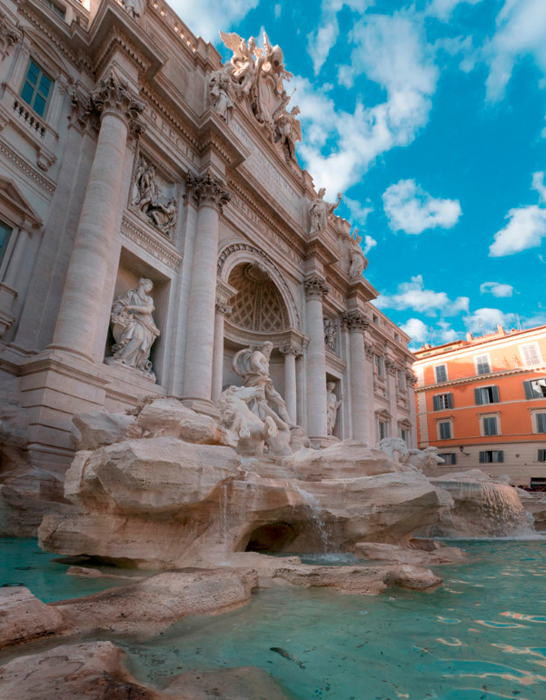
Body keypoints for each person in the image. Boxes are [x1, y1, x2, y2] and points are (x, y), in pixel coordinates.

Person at [108, 278, 160, 376]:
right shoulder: (131, 294)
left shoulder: (149, 299)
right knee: (137, 337)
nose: (150, 289)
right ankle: (122, 358)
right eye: (149, 286)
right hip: (133, 320)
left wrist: (132, 307)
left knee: (140, 338)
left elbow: (148, 310)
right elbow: (119, 304)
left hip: (146, 323)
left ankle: (126, 360)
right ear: (143, 284)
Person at [232, 341, 293, 425]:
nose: (268, 351)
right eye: (267, 349)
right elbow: (254, 361)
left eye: (270, 350)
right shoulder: (258, 353)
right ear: (262, 348)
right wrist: (261, 368)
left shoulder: (265, 358)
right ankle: (260, 420)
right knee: (260, 400)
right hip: (258, 379)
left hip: (266, 380)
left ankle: (289, 422)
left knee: (280, 401)